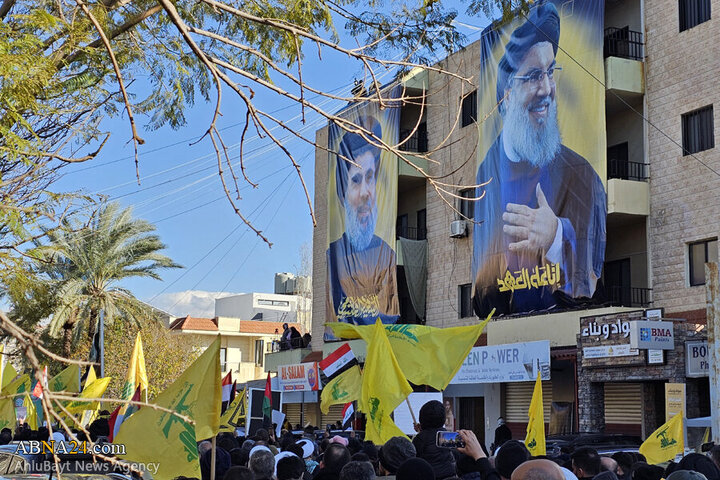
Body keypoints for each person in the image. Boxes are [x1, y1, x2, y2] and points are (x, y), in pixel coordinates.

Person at [472, 2, 606, 316]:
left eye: (550, 72)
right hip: (504, 330)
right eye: (533, 76)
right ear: (506, 96)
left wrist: (557, 235)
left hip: (563, 325)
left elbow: (593, 271)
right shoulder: (486, 175)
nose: (546, 89)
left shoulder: (581, 175)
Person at [326, 115, 400, 327]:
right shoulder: (333, 257)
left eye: (370, 177)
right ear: (343, 194)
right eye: (356, 181)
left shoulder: (387, 255)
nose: (366, 193)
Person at [412, 400, 456, 479]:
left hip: (429, 476)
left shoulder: (419, 439)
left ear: (421, 419)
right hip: (450, 475)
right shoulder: (449, 436)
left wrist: (422, 432)